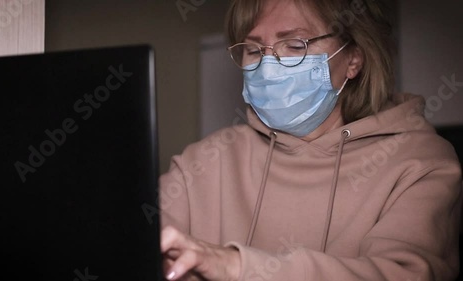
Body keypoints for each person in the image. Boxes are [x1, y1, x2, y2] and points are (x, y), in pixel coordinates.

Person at [159, 0, 462, 280]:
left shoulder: (419, 163)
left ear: (353, 57)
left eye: (294, 45)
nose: (268, 66)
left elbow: (403, 274)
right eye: (253, 50)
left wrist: (238, 266)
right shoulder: (203, 162)